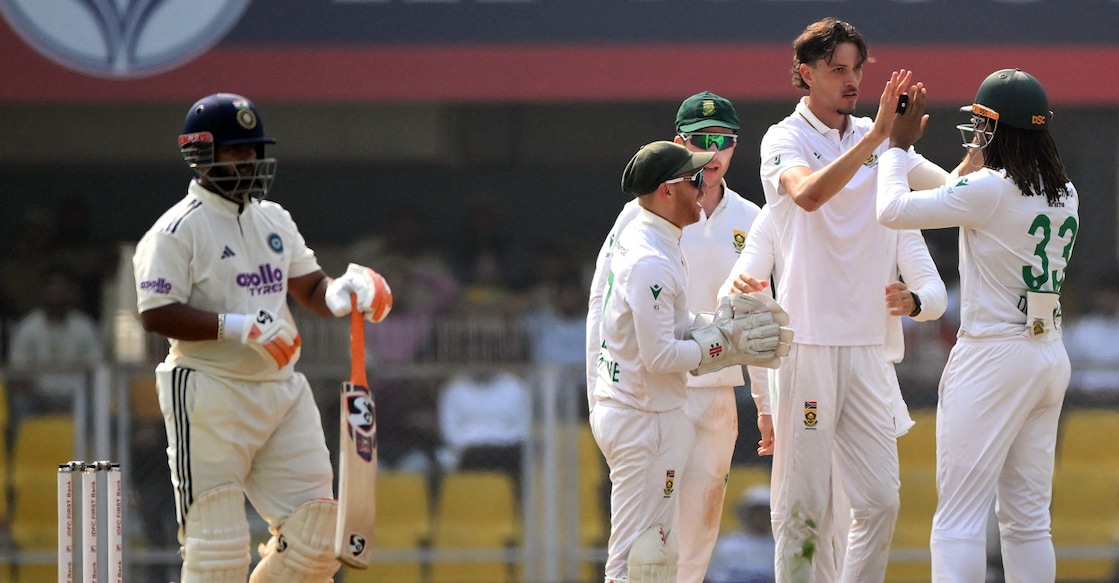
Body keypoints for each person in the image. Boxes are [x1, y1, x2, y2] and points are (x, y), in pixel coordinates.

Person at [722, 18, 954, 582]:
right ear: (806, 74)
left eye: (857, 69)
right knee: (804, 510)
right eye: (838, 70)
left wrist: (995, 151)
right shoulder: (784, 138)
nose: (852, 81)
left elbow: (951, 190)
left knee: (879, 503)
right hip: (806, 347)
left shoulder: (875, 142)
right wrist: (879, 139)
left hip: (869, 350)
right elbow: (807, 195)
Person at [132, 92, 393, 583]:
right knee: (217, 557)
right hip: (209, 392)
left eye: (254, 150)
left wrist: (342, 292)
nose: (250, 161)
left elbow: (310, 288)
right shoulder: (175, 231)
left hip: (281, 392)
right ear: (202, 156)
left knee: (318, 541)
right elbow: (156, 313)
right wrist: (239, 326)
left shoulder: (273, 218)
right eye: (237, 151)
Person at [876, 68, 1079, 582]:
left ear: (996, 129)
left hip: (993, 354)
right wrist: (936, 167)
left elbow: (892, 209)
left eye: (983, 125)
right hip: (1048, 355)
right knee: (1028, 523)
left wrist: (894, 148)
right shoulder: (1065, 191)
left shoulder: (989, 189)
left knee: (959, 519)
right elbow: (968, 197)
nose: (976, 134)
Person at [589, 140, 791, 583]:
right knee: (635, 557)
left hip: (648, 410)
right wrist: (725, 346)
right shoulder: (650, 260)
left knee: (657, 550)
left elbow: (675, 322)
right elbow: (661, 355)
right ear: (665, 191)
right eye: (692, 180)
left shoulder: (660, 238)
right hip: (643, 416)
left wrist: (722, 322)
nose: (703, 188)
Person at [8, 263, 105, 416]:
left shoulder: (84, 327)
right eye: (53, 286)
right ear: (43, 291)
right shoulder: (27, 328)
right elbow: (18, 376)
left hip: (75, 398)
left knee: (98, 407)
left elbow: (94, 372)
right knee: (20, 405)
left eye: (63, 287)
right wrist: (47, 402)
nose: (58, 292)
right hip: (37, 399)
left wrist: (79, 398)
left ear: (72, 292)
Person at [707, 485, 778, 583]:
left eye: (765, 513)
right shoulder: (726, 545)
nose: (761, 517)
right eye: (757, 512)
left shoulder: (777, 548)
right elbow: (711, 577)